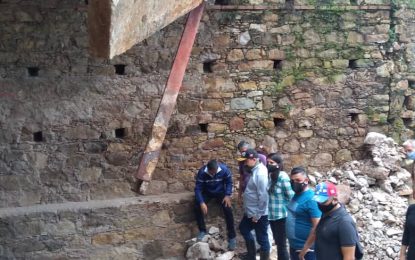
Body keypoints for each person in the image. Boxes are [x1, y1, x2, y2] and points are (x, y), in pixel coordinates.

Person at [194, 159, 236, 250]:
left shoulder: (224, 170)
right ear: (208, 169)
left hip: (220, 193)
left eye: (215, 172)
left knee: (228, 208)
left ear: (217, 168)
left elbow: (229, 182)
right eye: (211, 173)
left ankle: (232, 237)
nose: (213, 174)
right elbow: (198, 189)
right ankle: (202, 230)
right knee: (197, 205)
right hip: (207, 192)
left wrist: (228, 195)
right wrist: (201, 202)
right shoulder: (202, 172)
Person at [312, 181, 361, 260]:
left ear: (335, 199)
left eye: (323, 201)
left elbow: (349, 257)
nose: (320, 204)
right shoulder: (326, 214)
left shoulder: (344, 223)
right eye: (318, 201)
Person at [238, 149, 270, 260]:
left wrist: (258, 214)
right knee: (243, 228)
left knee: (262, 239)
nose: (244, 163)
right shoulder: (255, 170)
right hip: (251, 211)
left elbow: (264, 196)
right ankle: (251, 256)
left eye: (246, 160)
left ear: (254, 159)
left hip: (258, 214)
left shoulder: (260, 173)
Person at [286, 166, 321, 260]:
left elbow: (317, 226)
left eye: (298, 180)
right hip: (294, 247)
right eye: (292, 181)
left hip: (306, 251)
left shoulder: (311, 199)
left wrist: (305, 248)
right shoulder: (296, 195)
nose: (294, 183)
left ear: (306, 180)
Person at [267, 153, 294, 260]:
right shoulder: (270, 175)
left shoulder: (283, 177)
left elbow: (291, 196)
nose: (268, 164)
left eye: (271, 163)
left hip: (282, 216)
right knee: (278, 243)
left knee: (282, 245)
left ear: (278, 164)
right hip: (272, 215)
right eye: (268, 162)